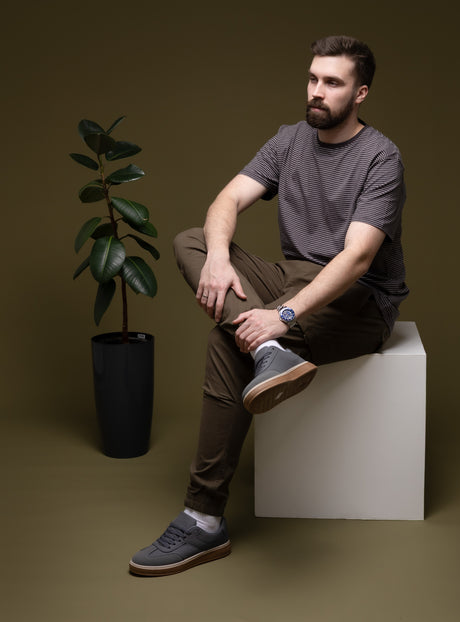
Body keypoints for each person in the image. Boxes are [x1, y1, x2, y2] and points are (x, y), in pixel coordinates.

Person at [129, 35, 409, 577]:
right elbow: (228, 199)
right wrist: (217, 258)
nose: (317, 91)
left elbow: (356, 259)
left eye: (333, 83)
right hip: (292, 275)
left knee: (224, 342)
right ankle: (268, 354)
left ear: (360, 93)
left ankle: (203, 518)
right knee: (192, 240)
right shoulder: (289, 140)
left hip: (360, 300)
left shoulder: (381, 157)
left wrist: (281, 316)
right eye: (313, 78)